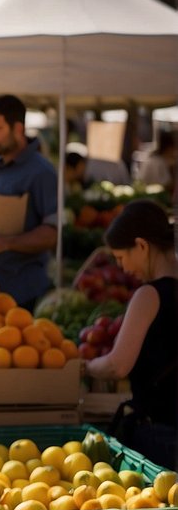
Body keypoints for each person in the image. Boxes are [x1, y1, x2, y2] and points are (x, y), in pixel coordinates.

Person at [85, 200, 177, 468]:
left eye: (121, 258)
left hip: (160, 436)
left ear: (142, 246)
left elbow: (117, 365)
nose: (123, 268)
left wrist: (86, 367)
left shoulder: (150, 295)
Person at [0, 95, 59, 310]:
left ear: (18, 128)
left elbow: (53, 234)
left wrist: (4, 242)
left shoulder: (42, 173)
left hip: (22, 296)